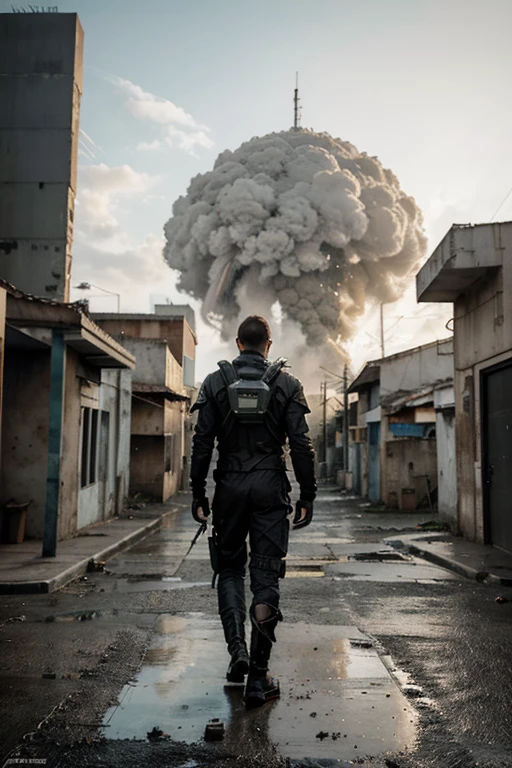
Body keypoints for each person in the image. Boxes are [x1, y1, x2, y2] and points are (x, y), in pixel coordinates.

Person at [190, 315, 316, 709]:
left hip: (228, 487)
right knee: (266, 577)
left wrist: (199, 492)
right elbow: (300, 444)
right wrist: (306, 493)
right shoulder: (287, 384)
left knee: (228, 568)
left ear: (237, 342)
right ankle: (258, 677)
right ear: (268, 343)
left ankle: (237, 654)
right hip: (270, 489)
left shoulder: (214, 383)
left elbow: (201, 443)